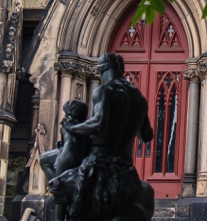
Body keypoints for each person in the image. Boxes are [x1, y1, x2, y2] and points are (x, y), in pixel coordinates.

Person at [40, 52, 155, 221]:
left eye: (100, 71)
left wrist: (73, 127)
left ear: (103, 69)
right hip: (125, 168)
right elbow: (147, 135)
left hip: (98, 163)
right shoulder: (139, 98)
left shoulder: (104, 90)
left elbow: (99, 122)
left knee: (57, 182)